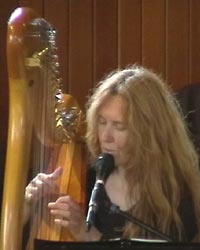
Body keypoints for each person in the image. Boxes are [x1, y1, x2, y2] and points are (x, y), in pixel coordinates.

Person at [24, 64, 200, 243]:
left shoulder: (176, 191)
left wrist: (89, 236)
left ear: (149, 133)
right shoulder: (84, 173)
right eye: (101, 122)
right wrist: (26, 205)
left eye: (119, 126)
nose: (106, 137)